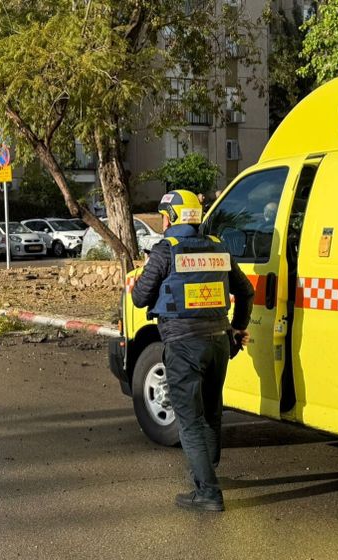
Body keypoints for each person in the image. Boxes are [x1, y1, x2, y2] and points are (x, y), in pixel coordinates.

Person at [131, 189, 254, 512]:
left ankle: (208, 492)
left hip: (183, 344)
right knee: (212, 412)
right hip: (217, 342)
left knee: (189, 420)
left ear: (170, 218)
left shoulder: (166, 250)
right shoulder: (217, 248)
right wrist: (238, 328)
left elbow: (141, 298)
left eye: (163, 215)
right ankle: (207, 472)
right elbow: (246, 290)